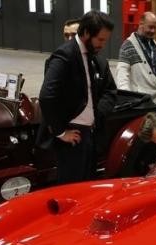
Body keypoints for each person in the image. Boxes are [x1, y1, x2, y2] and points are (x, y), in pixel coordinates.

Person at [37, 10, 117, 184]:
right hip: (72, 137)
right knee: (71, 190)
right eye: (100, 39)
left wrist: (97, 115)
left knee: (87, 187)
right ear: (87, 33)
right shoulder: (65, 54)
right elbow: (46, 96)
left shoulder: (93, 58)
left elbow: (108, 91)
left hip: (89, 135)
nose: (102, 45)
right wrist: (60, 131)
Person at [116, 11, 156, 105]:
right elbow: (122, 75)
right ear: (141, 24)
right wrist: (126, 100)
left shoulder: (154, 44)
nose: (153, 31)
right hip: (141, 103)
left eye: (155, 28)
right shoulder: (128, 46)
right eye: (150, 27)